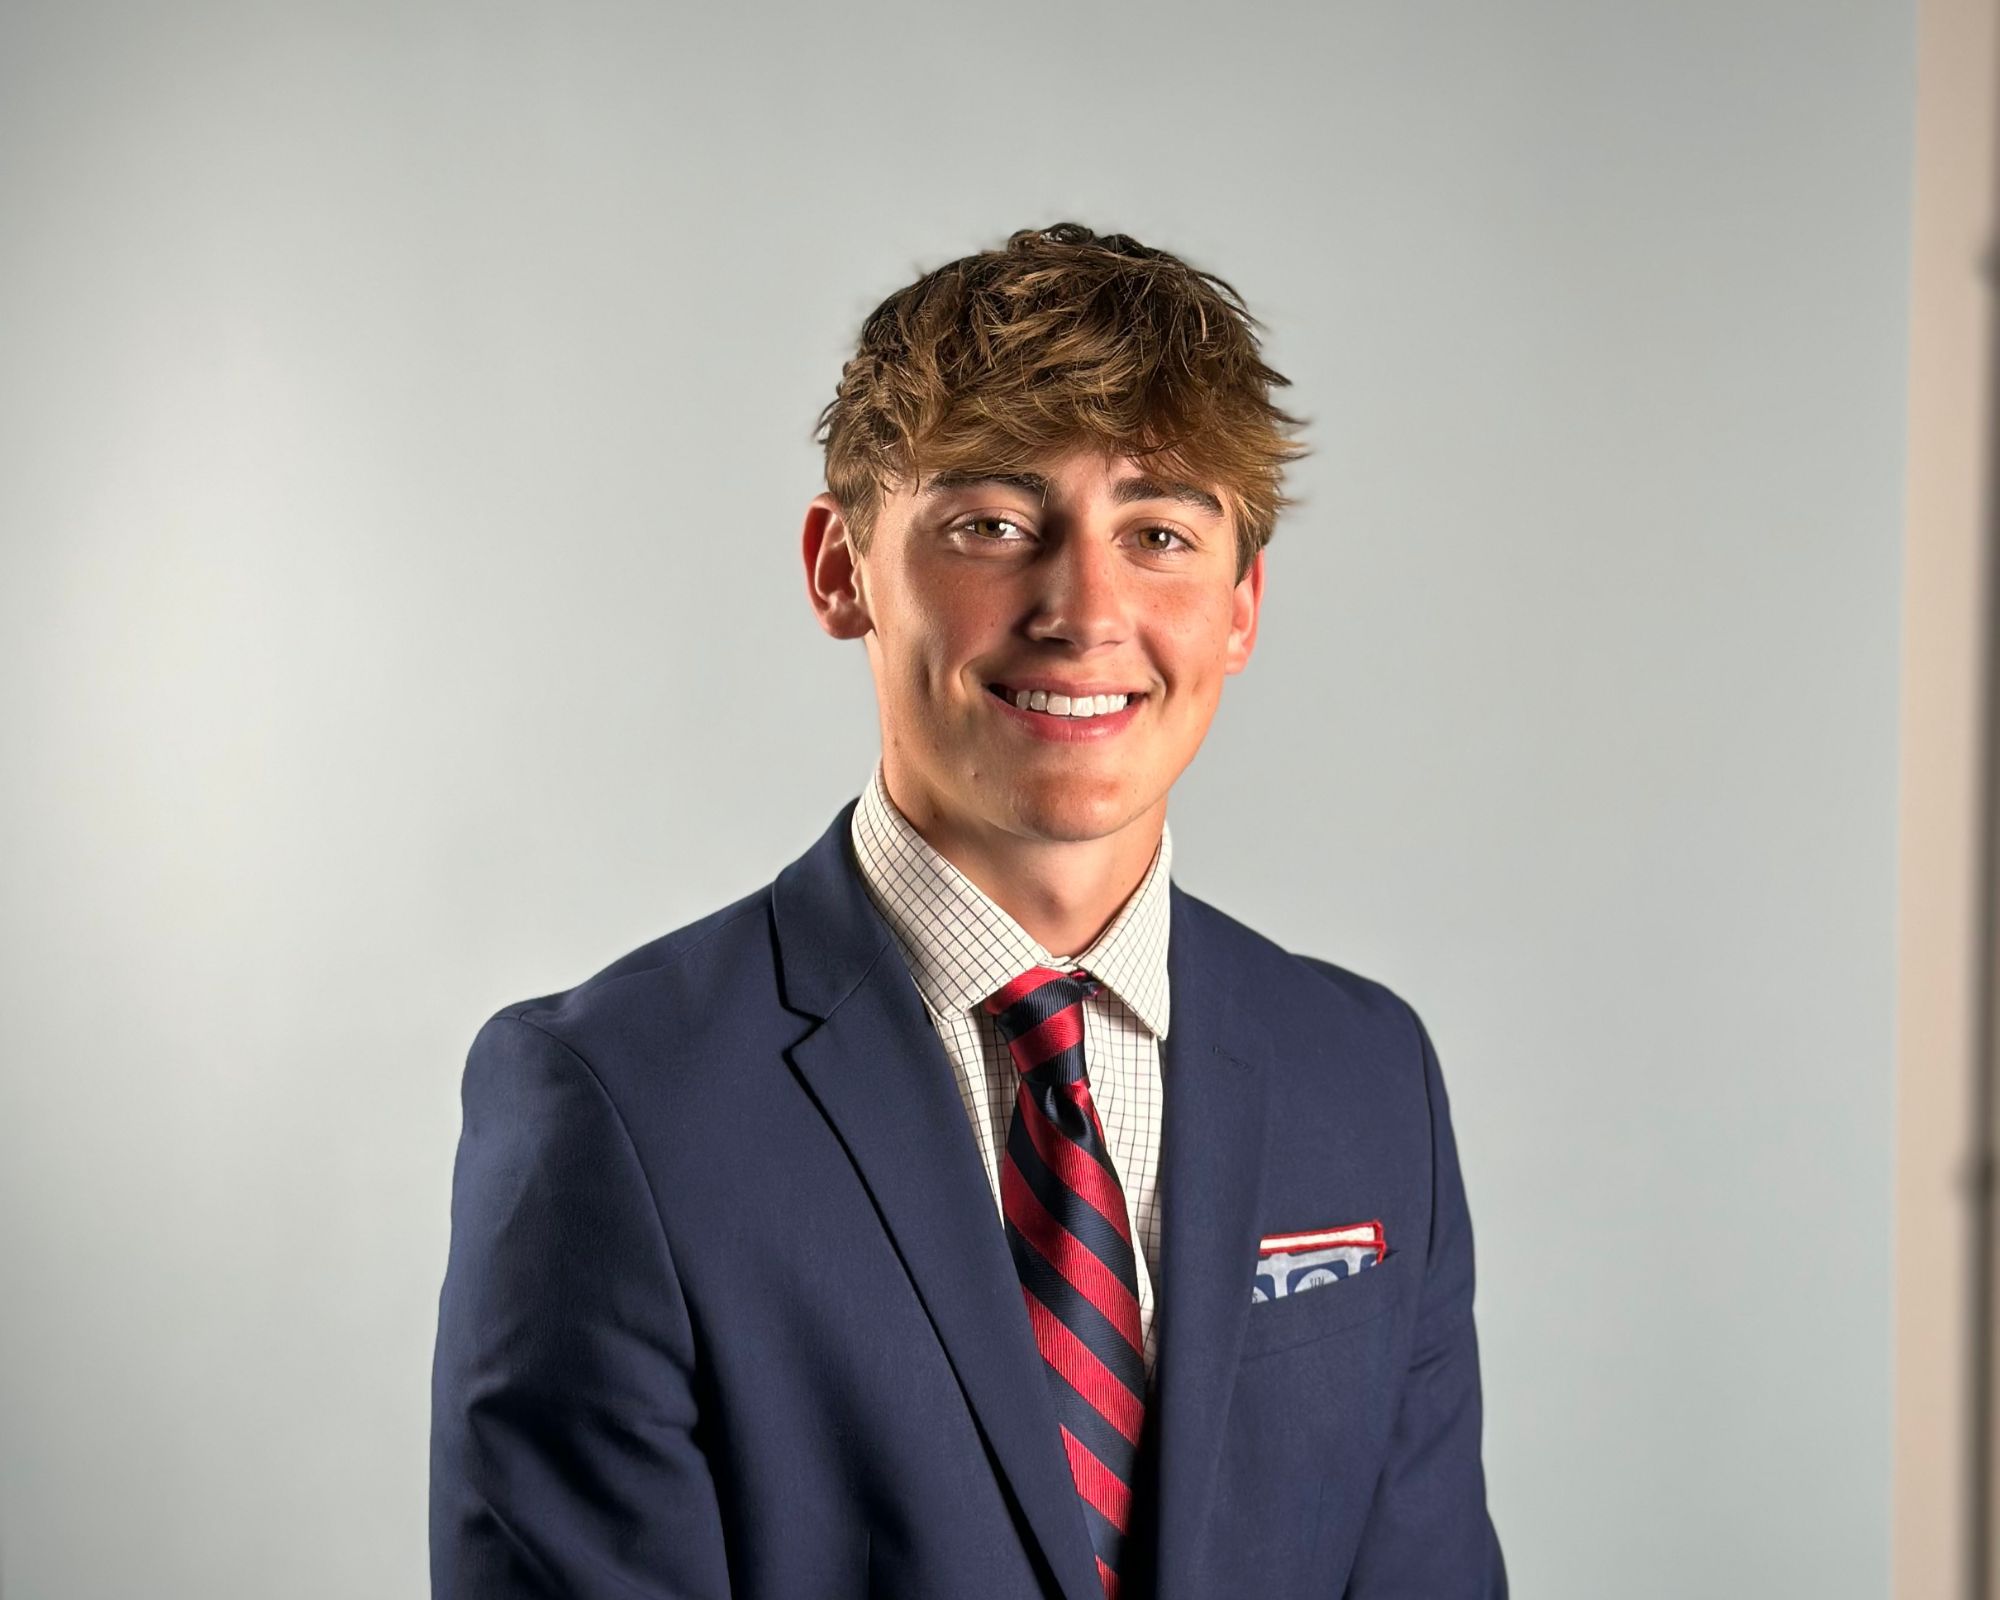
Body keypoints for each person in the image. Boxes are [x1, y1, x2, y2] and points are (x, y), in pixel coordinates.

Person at [430, 222, 1507, 1599]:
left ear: (1241, 608)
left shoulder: (1367, 1078)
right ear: (840, 571)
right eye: (992, 525)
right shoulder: (613, 1103)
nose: (1084, 609)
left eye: (1160, 533)